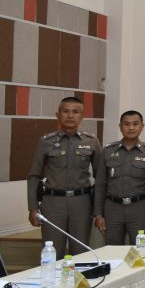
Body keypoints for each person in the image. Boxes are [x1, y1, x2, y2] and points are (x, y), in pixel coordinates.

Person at [27, 97, 101, 259]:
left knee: (81, 254)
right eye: (66, 111)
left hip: (82, 203)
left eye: (75, 112)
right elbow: (34, 176)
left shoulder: (92, 141)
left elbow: (100, 178)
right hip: (53, 203)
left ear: (82, 116)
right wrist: (33, 207)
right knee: (52, 252)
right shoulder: (46, 141)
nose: (70, 116)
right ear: (58, 115)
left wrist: (98, 211)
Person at [93, 110, 145, 247]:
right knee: (112, 250)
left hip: (139, 209)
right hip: (112, 209)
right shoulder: (108, 151)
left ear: (142, 126)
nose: (131, 128)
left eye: (135, 124)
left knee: (139, 251)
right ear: (120, 127)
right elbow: (100, 185)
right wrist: (98, 214)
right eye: (126, 124)